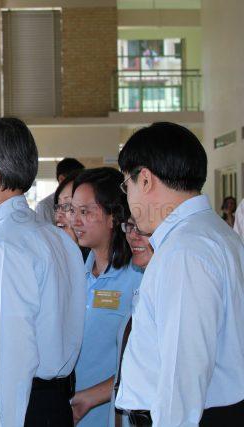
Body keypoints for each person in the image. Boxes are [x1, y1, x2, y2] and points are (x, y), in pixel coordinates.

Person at [0, 117, 86, 427]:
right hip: (52, 402)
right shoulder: (56, 238)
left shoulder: (4, 246)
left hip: (20, 409)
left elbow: (12, 355)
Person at [115, 122, 244, 426]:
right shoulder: (213, 233)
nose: (129, 198)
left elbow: (183, 374)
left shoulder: (186, 250)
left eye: (127, 185)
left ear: (145, 179)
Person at [67, 168, 142, 427]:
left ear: (113, 217)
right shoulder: (78, 274)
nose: (75, 221)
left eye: (86, 212)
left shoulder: (138, 276)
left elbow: (149, 359)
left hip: (113, 416)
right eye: (72, 210)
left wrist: (94, 395)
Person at [109, 217, 154, 427]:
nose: (134, 235)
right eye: (130, 226)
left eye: (144, 229)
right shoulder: (144, 287)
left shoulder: (173, 291)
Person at [35, 157, 85, 224]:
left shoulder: (82, 201)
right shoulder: (45, 206)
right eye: (77, 180)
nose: (80, 184)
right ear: (61, 179)